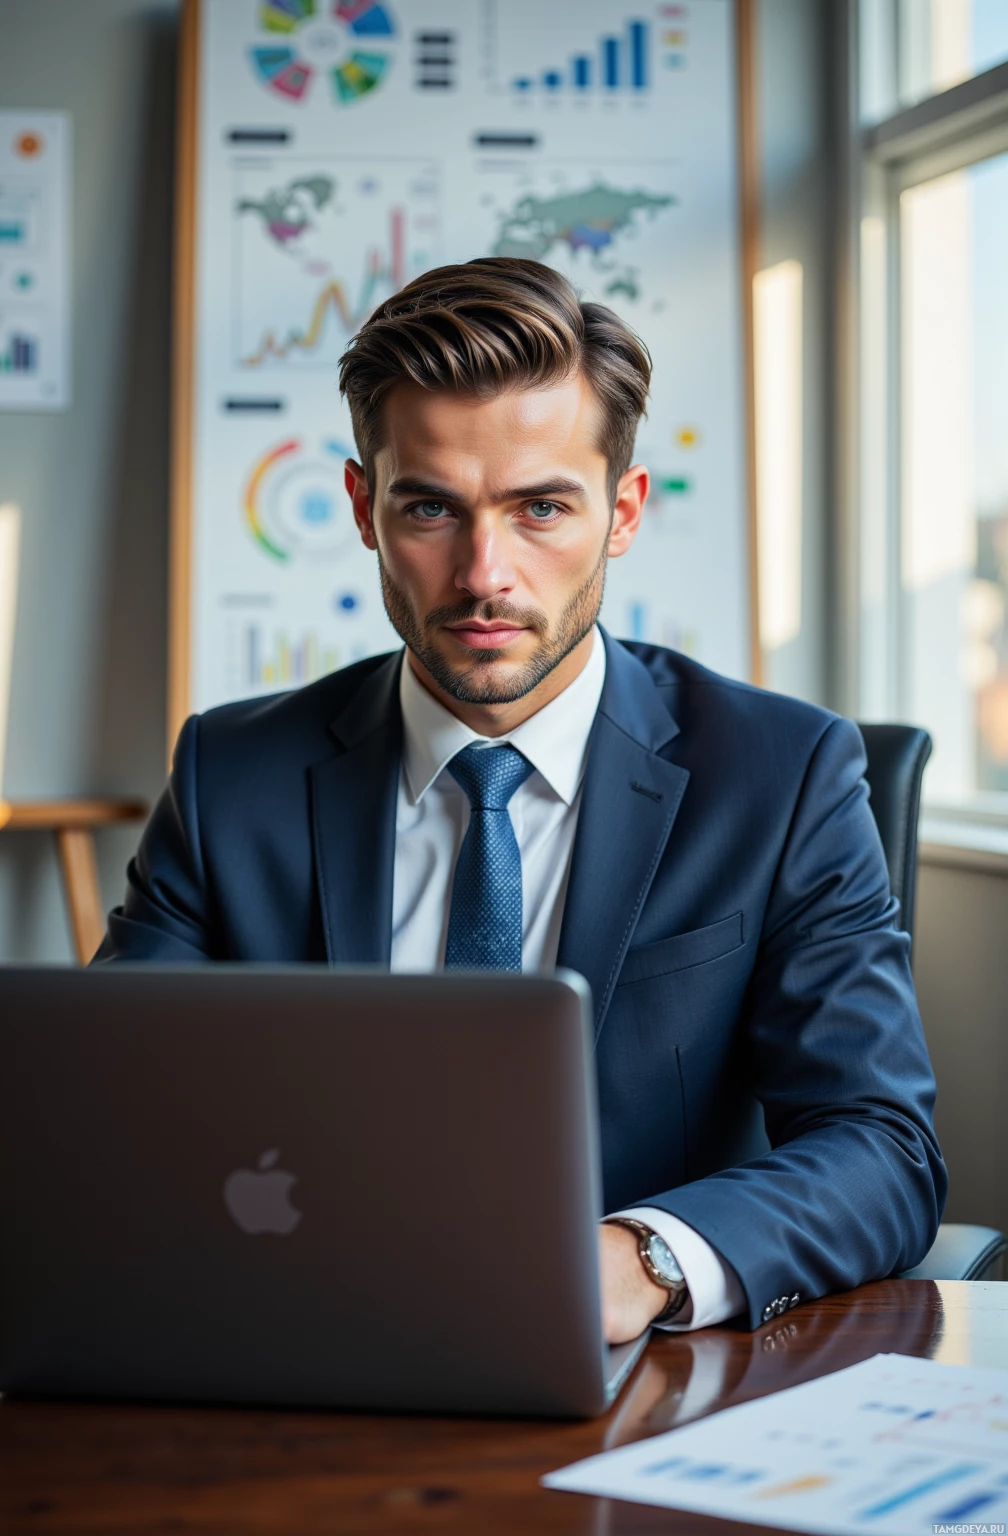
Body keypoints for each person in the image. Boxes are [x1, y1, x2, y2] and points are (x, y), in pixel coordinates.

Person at [96, 257, 946, 1343]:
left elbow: (882, 1146)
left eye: (541, 507)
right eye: (429, 508)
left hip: (636, 1381)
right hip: (300, 1334)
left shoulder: (784, 775)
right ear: (363, 508)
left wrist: (638, 1260)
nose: (483, 572)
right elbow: (115, 1105)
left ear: (623, 511)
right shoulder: (232, 772)